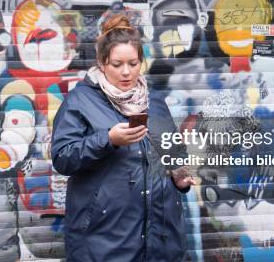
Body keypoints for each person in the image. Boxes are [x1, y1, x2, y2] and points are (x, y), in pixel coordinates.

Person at [51, 14, 197, 261]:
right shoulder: (80, 101)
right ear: (102, 62)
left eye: (133, 63)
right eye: (117, 64)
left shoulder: (155, 102)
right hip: (106, 239)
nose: (126, 72)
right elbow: (62, 157)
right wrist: (108, 140)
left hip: (161, 236)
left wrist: (179, 179)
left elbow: (174, 155)